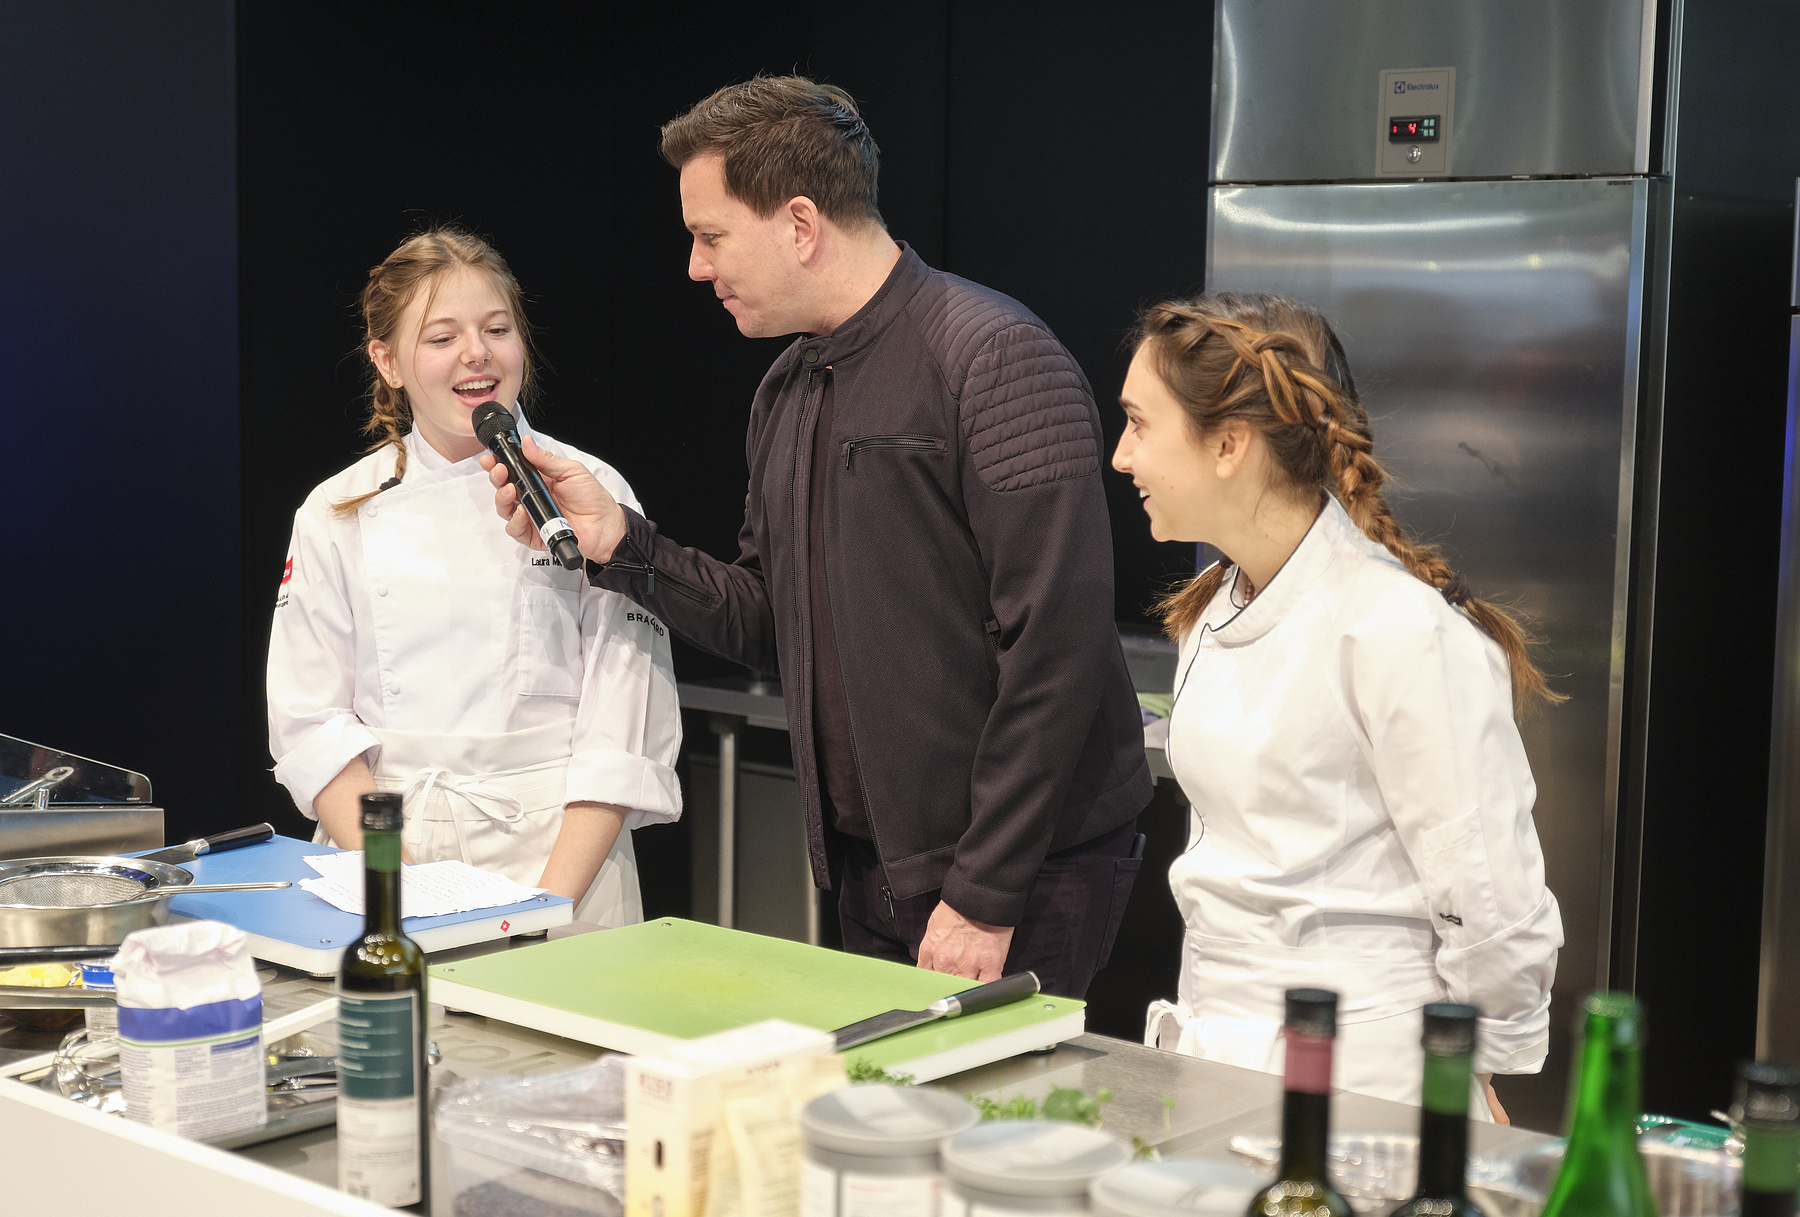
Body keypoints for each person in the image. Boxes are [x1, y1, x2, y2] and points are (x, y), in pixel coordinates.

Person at [487, 77, 1152, 996]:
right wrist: (620, 545)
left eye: (711, 236)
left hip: (1018, 876)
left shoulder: (996, 355)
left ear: (800, 224)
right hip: (872, 871)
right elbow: (772, 622)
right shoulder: (787, 389)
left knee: (995, 1096)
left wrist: (985, 891)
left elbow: (1059, 646)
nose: (695, 267)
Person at [1112, 293, 1563, 1121]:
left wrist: (1480, 1065)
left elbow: (1490, 896)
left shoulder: (1398, 629)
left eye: (1139, 424)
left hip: (1367, 1085)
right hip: (1219, 1056)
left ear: (1229, 444)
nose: (1120, 455)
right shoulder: (1212, 604)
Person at [268, 228, 681, 926]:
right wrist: (400, 889)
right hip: (386, 856)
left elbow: (624, 721)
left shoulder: (591, 491)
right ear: (387, 361)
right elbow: (310, 724)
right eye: (442, 337)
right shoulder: (336, 510)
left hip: (565, 864)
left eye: (497, 329)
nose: (477, 353)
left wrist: (545, 908)